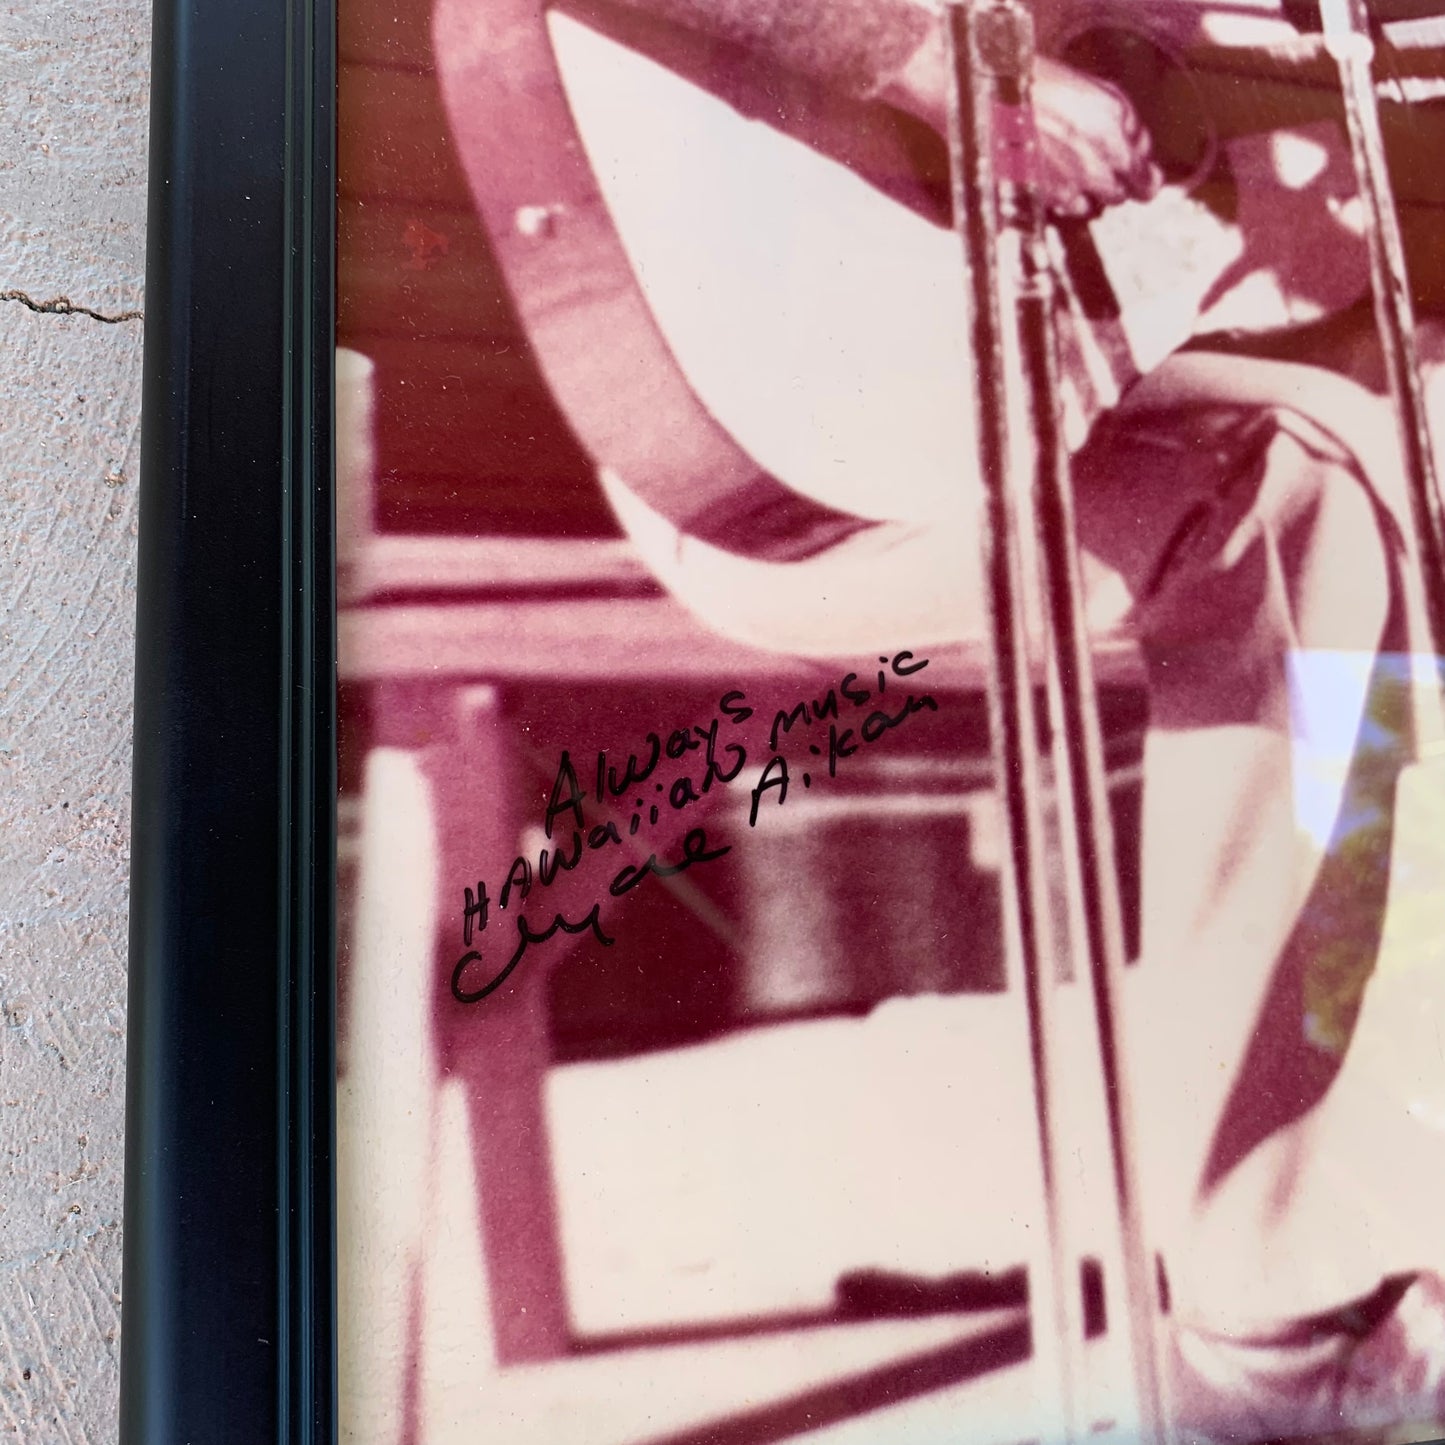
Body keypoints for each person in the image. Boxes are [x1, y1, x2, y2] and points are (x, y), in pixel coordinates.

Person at [435, 0, 1445, 1437]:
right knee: (1320, 479)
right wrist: (936, 65)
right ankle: (1278, 1287)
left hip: (925, 339)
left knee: (1365, 436)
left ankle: (1309, 1259)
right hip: (794, 424)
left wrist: (1139, 81)